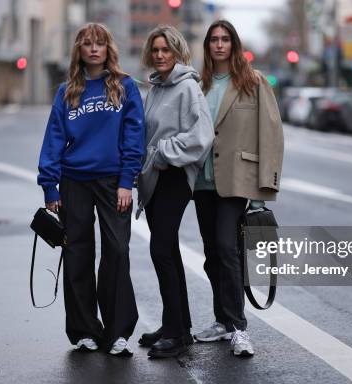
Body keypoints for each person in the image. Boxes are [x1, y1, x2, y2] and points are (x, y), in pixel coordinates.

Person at [37, 23, 145, 357]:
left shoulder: (124, 86)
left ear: (108, 48)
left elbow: (134, 136)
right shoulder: (67, 90)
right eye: (87, 43)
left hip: (114, 182)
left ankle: (117, 333)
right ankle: (84, 330)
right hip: (74, 181)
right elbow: (54, 138)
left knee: (117, 251)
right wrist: (49, 186)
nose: (94, 48)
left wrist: (127, 181)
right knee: (77, 254)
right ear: (79, 50)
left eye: (99, 43)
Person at [192, 20, 284, 357]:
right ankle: (222, 321)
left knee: (227, 249)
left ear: (234, 44)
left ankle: (238, 327)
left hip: (236, 181)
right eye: (213, 39)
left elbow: (271, 137)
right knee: (212, 253)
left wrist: (262, 194)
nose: (219, 45)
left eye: (225, 39)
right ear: (207, 46)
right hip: (201, 181)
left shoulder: (253, 83)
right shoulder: (197, 84)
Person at [136, 25, 214, 358]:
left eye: (165, 50)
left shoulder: (188, 88)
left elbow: (201, 136)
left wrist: (165, 152)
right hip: (154, 176)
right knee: (168, 250)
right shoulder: (155, 88)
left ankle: (175, 331)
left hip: (175, 176)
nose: (159, 55)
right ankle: (178, 325)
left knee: (160, 248)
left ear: (177, 52)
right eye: (155, 50)